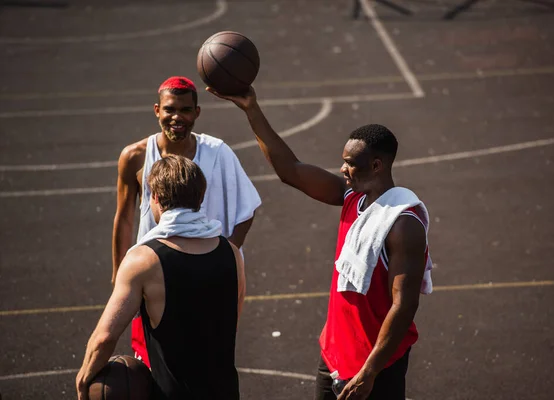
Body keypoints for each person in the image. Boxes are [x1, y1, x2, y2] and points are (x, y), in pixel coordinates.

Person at [208, 86, 433, 400]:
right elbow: (292, 171)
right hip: (335, 354)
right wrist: (251, 109)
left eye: (350, 162)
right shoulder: (351, 197)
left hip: (375, 365)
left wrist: (370, 372)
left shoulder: (403, 224)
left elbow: (404, 304)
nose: (342, 168)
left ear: (377, 165)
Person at [112, 76, 261, 366]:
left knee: (205, 362)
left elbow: (248, 208)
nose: (177, 117)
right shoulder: (134, 157)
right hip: (154, 275)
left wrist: (225, 254)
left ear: (197, 113)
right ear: (157, 110)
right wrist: (119, 277)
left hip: (206, 276)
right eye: (169, 110)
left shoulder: (218, 153)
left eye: (185, 110)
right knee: (152, 364)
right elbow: (125, 218)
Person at [77, 155, 245, 400]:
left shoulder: (143, 260)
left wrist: (83, 381)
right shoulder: (231, 253)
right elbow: (231, 320)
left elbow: (105, 338)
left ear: (154, 197)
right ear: (200, 198)